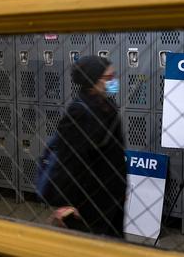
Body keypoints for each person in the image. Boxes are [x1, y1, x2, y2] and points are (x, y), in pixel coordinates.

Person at [50, 55, 126, 238]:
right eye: (108, 78)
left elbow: (116, 150)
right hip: (88, 200)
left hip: (113, 195)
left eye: (114, 76)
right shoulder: (79, 112)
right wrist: (65, 203)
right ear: (93, 81)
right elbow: (67, 159)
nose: (113, 82)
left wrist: (122, 186)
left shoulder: (108, 106)